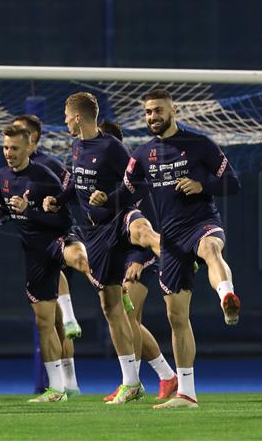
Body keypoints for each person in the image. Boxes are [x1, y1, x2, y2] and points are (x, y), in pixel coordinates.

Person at [91, 88, 241, 409]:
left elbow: (233, 182)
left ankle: (227, 294)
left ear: (174, 111)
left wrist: (203, 186)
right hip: (170, 240)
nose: (153, 117)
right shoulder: (143, 155)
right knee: (176, 317)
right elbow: (126, 193)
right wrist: (105, 200)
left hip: (201, 222)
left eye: (158, 111)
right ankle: (187, 393)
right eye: (148, 113)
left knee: (211, 250)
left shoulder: (199, 144)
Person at [42, 92, 146, 404]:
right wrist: (58, 200)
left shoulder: (111, 147)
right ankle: (134, 381)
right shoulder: (78, 147)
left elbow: (136, 184)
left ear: (77, 116)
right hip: (94, 234)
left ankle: (132, 383)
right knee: (110, 306)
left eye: (65, 114)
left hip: (115, 224)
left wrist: (110, 197)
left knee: (112, 305)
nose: (63, 120)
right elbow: (76, 183)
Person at [0, 122, 94, 403]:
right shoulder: (2, 176)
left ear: (29, 147)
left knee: (79, 258)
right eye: (6, 147)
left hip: (58, 239)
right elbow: (6, 209)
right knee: (45, 323)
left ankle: (109, 284)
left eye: (14, 148)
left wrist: (30, 209)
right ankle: (57, 389)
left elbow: (63, 218)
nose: (9, 153)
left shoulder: (44, 175)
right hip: (34, 252)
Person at [97, 119, 178, 402]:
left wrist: (141, 258)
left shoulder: (135, 178)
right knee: (131, 322)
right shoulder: (105, 180)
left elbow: (150, 223)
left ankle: (164, 376)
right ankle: (138, 381)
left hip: (140, 257)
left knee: (125, 316)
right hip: (122, 252)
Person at [13, 114, 81, 396]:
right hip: (34, 244)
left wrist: (51, 206)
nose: (15, 143)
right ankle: (67, 385)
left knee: (59, 314)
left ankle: (70, 315)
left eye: (22, 134)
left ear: (35, 138)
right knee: (50, 323)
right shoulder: (13, 169)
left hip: (56, 236)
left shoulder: (50, 166)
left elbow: (71, 194)